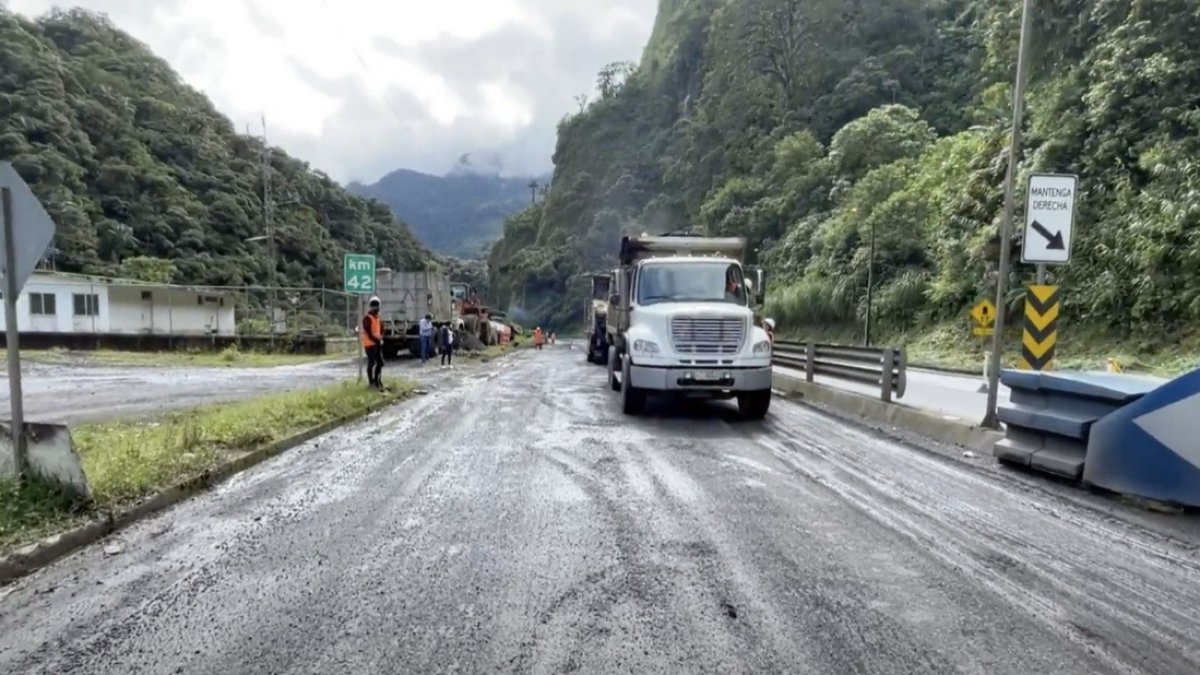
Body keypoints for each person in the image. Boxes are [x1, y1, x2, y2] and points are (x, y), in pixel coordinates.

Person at [361, 296, 385, 390]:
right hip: (370, 344)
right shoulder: (367, 318)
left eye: (377, 306)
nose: (376, 308)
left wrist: (381, 337)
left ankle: (377, 380)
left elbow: (381, 330)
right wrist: (377, 340)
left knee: (380, 363)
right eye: (374, 306)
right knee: (371, 363)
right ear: (371, 307)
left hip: (377, 343)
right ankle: (371, 382)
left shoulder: (377, 318)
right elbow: (369, 333)